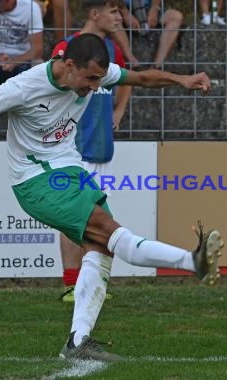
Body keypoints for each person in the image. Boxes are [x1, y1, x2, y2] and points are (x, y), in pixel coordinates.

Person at [0, 33, 224, 362]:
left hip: (69, 172)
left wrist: (183, 79)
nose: (94, 87)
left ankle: (78, 342)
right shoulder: (25, 86)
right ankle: (192, 262)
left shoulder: (93, 74)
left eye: (98, 79)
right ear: (69, 65)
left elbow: (142, 77)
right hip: (36, 181)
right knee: (109, 231)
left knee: (102, 248)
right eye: (90, 79)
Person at [51, 0, 132, 303]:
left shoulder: (113, 50)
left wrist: (120, 110)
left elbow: (127, 80)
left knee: (94, 217)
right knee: (74, 216)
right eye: (114, 12)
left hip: (101, 142)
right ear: (94, 14)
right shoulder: (66, 47)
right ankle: (72, 284)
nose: (119, 18)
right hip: (74, 144)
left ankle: (89, 284)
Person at [0, 0, 43, 88]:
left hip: (24, 58)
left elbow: (37, 49)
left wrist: (14, 61)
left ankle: (37, 101)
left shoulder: (30, 8)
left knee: (40, 66)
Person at [119, 0, 182, 69]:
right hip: (121, 9)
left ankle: (157, 65)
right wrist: (125, 13)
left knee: (176, 16)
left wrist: (154, 9)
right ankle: (133, 64)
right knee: (113, 22)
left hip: (147, 8)